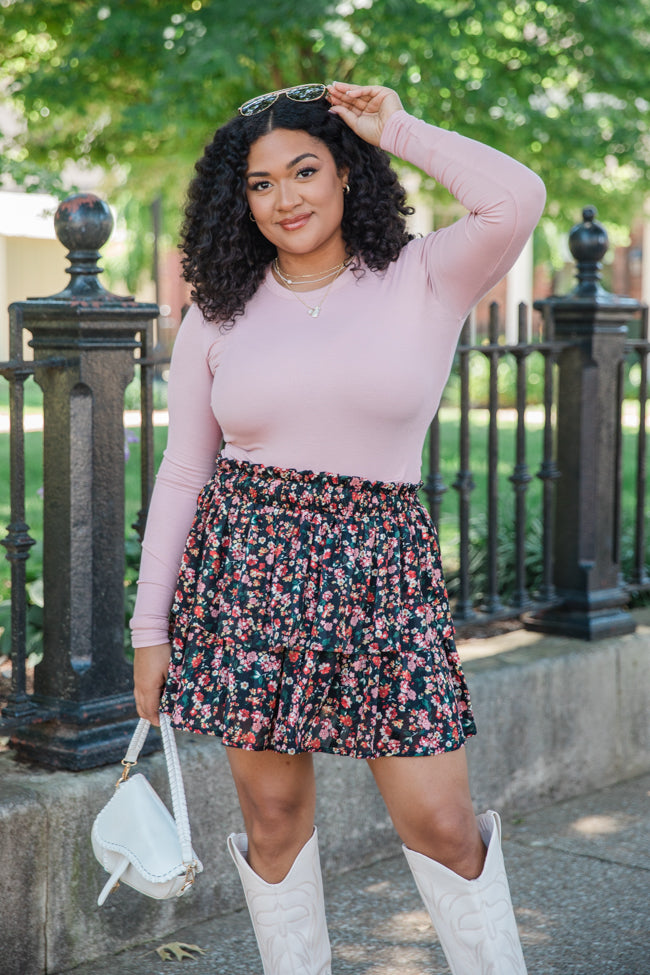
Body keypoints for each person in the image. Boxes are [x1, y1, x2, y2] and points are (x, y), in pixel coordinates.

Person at [131, 81, 545, 975]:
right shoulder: (219, 312)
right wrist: (149, 627)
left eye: (306, 169)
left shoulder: (427, 273)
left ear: (349, 173)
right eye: (261, 183)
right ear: (238, 200)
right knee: (273, 820)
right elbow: (183, 472)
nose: (287, 198)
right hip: (246, 568)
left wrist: (395, 126)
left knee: (441, 821)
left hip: (382, 564)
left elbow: (517, 197)